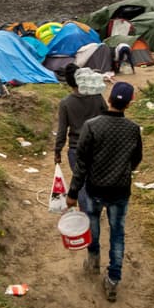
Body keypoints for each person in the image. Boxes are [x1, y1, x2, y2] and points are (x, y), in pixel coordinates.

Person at [66, 81, 142, 303]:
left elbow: (81, 164)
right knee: (117, 234)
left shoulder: (92, 126)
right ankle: (113, 280)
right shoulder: (133, 129)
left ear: (109, 99)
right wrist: (122, 170)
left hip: (94, 189)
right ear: (128, 104)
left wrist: (72, 193)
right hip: (120, 191)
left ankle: (93, 261)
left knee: (94, 227)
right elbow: (136, 159)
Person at [54, 64, 107, 210]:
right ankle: (96, 207)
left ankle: (86, 212)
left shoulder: (66, 103)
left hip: (76, 149)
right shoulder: (97, 96)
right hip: (97, 147)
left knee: (81, 182)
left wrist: (57, 151)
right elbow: (107, 116)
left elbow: (62, 130)